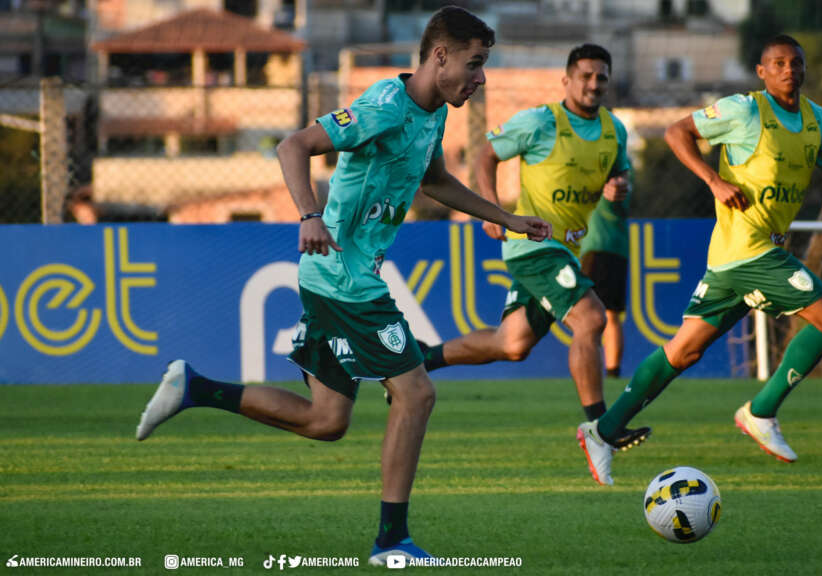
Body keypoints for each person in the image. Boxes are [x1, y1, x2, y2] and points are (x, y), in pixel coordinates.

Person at [133, 6, 551, 565]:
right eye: (475, 65)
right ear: (440, 56)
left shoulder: (432, 113)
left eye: (485, 66)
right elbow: (292, 146)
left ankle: (195, 388)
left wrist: (507, 217)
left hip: (341, 278)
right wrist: (309, 214)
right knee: (417, 393)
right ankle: (391, 541)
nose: (481, 79)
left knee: (326, 421)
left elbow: (434, 181)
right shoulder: (383, 105)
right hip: (344, 280)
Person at [577, 34, 822, 486]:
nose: (788, 70)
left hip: (740, 258)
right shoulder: (745, 109)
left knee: (684, 350)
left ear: (804, 68)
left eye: (795, 62)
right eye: (777, 63)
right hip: (747, 250)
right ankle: (760, 412)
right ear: (762, 72)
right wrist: (714, 180)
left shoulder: (816, 119)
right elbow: (677, 132)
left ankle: (602, 431)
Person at [418, 44, 650, 451]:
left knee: (512, 344)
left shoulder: (615, 130)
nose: (594, 84)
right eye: (586, 76)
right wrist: (491, 211)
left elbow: (621, 178)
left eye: (601, 78)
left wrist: (620, 188)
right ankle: (600, 428)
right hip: (535, 246)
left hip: (569, 250)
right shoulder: (541, 122)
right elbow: (487, 155)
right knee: (591, 319)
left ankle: (422, 360)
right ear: (567, 80)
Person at [579, 180, 630, 379]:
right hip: (607, 246)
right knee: (607, 315)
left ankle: (602, 371)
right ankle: (610, 371)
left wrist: (612, 189)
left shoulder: (613, 165)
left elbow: (617, 189)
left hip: (600, 246)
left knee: (600, 315)